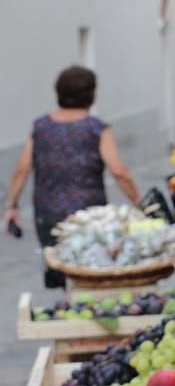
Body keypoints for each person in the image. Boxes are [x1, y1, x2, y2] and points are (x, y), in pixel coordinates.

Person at [3, 65, 141, 288]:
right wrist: (139, 203)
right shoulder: (97, 128)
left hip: (47, 214)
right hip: (88, 216)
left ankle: (66, 306)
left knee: (58, 268)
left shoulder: (41, 127)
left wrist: (12, 205)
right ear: (91, 94)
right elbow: (119, 172)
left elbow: (22, 168)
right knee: (88, 270)